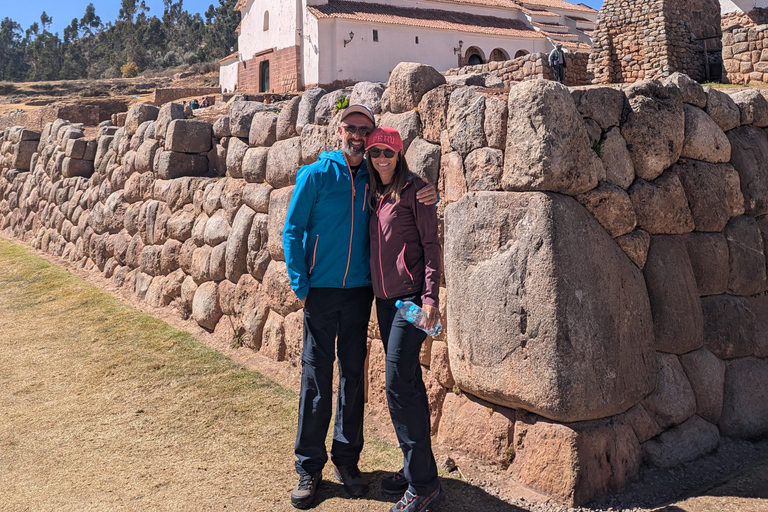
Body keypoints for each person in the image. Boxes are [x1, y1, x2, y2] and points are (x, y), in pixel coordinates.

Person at [283, 105, 437, 510]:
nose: (357, 135)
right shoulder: (315, 175)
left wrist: (431, 190)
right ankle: (309, 467)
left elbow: (409, 190)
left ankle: (347, 462)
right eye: (351, 128)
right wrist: (301, 285)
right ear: (339, 131)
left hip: (360, 294)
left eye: (364, 130)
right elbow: (293, 229)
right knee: (317, 378)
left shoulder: (374, 176)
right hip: (320, 291)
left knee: (353, 377)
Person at [365, 127, 443, 512]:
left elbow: (431, 246)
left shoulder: (416, 190)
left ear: (399, 155)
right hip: (385, 302)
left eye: (388, 152)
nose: (382, 158)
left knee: (397, 383)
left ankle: (423, 485)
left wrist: (430, 299)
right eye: (375, 152)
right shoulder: (372, 191)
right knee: (408, 381)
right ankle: (417, 469)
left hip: (410, 301)